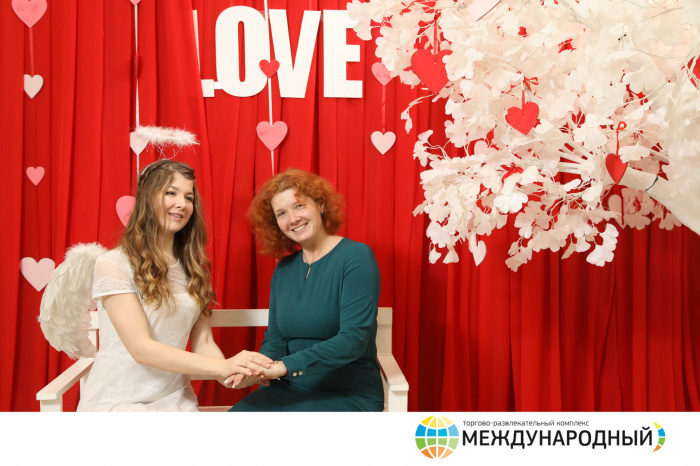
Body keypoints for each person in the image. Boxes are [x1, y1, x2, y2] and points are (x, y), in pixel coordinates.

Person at [77, 160, 271, 411]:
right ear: (147, 198)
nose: (182, 203)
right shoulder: (113, 263)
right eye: (171, 193)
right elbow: (141, 349)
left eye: (189, 197)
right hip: (118, 401)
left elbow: (204, 343)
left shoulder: (194, 270)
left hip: (175, 399)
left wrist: (232, 374)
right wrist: (222, 367)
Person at [227, 168, 384, 412]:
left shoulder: (356, 256)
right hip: (287, 388)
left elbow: (353, 340)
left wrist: (283, 367)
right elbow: (276, 338)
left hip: (348, 393)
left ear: (320, 205)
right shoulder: (283, 269)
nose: (293, 219)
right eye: (281, 213)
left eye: (299, 206)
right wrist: (258, 368)